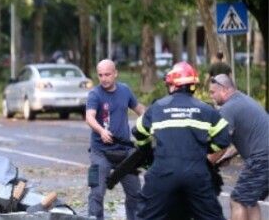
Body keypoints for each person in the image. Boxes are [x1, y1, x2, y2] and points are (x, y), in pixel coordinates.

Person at [133, 62, 231, 220]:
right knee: (211, 216)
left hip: (163, 172)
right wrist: (205, 149)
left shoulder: (157, 108)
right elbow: (224, 139)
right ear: (193, 86)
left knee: (147, 216)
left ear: (172, 85)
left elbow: (138, 132)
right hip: (196, 173)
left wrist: (146, 151)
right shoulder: (206, 110)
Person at [85, 59, 147, 220]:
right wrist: (101, 131)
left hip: (125, 152)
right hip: (101, 153)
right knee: (96, 193)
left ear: (115, 74)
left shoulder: (125, 90)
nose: (104, 78)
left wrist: (155, 120)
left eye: (107, 74)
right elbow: (89, 117)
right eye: (100, 75)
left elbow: (140, 109)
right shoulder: (95, 94)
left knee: (136, 193)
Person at [209, 74, 268, 220]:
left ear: (224, 90)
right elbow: (248, 137)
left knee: (237, 200)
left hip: (261, 157)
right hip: (265, 154)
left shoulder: (228, 109)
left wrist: (205, 163)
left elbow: (221, 144)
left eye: (212, 92)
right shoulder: (243, 100)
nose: (211, 97)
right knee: (250, 201)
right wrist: (228, 155)